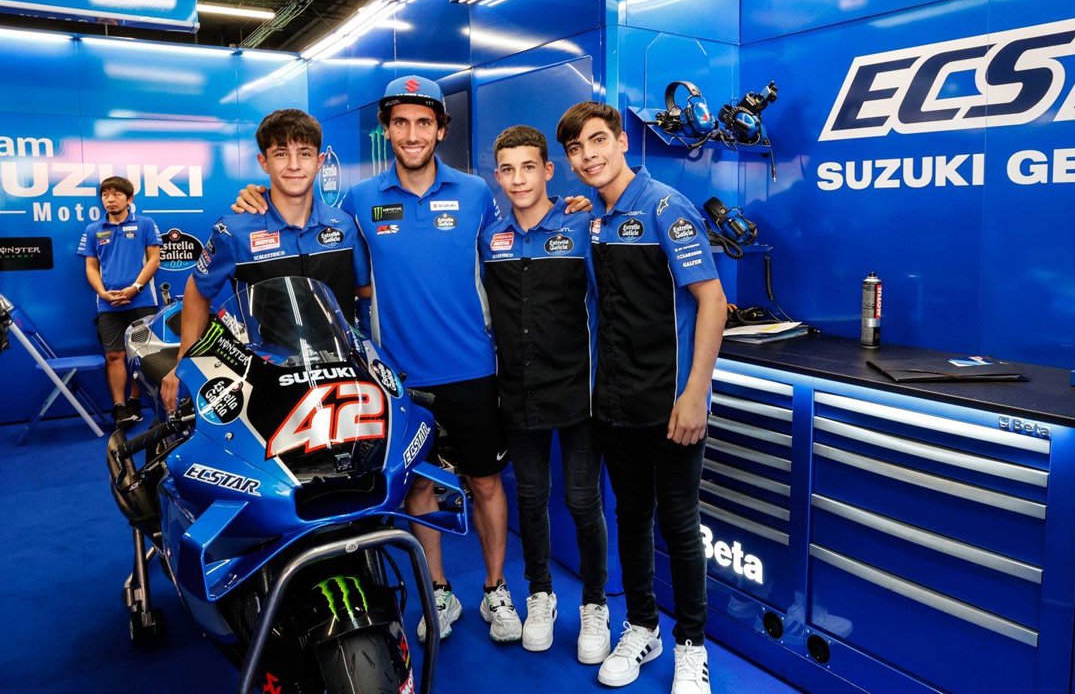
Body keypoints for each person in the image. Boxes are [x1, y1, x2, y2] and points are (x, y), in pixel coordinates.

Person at [233, 77, 584, 644]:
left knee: (485, 483)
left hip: (473, 369)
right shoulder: (357, 202)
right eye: (400, 122)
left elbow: (517, 238)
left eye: (424, 122)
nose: (412, 133)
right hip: (398, 378)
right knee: (419, 487)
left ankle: (495, 589)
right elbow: (344, 269)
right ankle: (439, 592)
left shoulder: (476, 193)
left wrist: (569, 209)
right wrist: (255, 195)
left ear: (441, 130)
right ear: (387, 130)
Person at [556, 102, 727, 694]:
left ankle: (692, 646)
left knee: (679, 524)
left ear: (622, 141)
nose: (589, 156)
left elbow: (712, 301)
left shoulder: (665, 208)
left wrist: (695, 395)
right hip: (614, 403)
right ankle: (644, 626)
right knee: (631, 518)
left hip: (672, 405)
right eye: (576, 149)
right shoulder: (596, 219)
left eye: (598, 141)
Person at [478, 125, 609, 661]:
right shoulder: (489, 236)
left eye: (529, 167)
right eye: (507, 169)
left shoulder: (582, 225)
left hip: (580, 394)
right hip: (519, 393)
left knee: (582, 501)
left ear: (548, 170)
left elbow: (608, 304)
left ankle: (595, 604)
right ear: (497, 175)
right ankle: (540, 595)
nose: (518, 179)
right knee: (531, 500)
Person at [160, 109, 369, 411]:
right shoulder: (234, 231)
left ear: (320, 161)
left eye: (305, 153)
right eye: (281, 154)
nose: (294, 165)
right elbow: (198, 289)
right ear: (263, 162)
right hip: (269, 380)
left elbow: (364, 290)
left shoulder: (344, 226)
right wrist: (184, 359)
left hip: (343, 376)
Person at [77, 176, 163, 428]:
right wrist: (103, 293)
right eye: (105, 195)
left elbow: (154, 260)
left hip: (142, 300)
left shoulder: (145, 224)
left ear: (129, 198)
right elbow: (91, 267)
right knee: (114, 355)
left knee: (140, 355)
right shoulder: (93, 230)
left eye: (116, 194)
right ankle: (120, 407)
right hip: (108, 304)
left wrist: (135, 288)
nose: (110, 199)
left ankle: (135, 400)